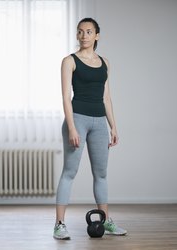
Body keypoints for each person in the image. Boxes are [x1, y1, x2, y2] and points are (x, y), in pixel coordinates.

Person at [53, 17, 127, 240]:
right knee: (69, 172)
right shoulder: (69, 61)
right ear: (77, 35)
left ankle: (106, 221)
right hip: (77, 119)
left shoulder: (105, 62)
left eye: (89, 31)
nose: (84, 35)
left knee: (101, 174)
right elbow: (66, 97)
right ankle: (59, 224)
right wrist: (73, 128)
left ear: (97, 35)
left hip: (99, 123)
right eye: (80, 32)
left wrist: (113, 126)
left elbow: (107, 97)